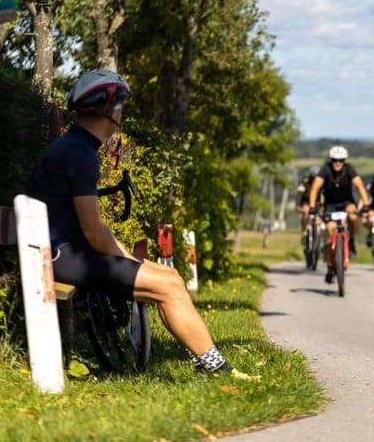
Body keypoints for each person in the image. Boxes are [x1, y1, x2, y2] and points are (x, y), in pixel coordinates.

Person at [26, 70, 234, 375]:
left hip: (65, 252)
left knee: (171, 276)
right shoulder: (81, 154)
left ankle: (206, 361)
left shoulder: (75, 146)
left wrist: (126, 257)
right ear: (108, 110)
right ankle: (216, 368)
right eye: (120, 107)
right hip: (62, 257)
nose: (121, 114)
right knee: (169, 287)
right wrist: (125, 260)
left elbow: (94, 229)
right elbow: (93, 230)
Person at [307, 146, 370, 282]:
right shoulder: (325, 170)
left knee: (353, 217)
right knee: (330, 231)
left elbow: (360, 186)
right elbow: (315, 188)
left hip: (347, 202)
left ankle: (351, 241)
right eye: (335, 160)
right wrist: (312, 207)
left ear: (344, 160)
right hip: (330, 204)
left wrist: (365, 205)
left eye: (341, 160)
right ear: (331, 160)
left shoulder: (349, 169)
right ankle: (330, 267)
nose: (338, 163)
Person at [295, 166, 321, 235]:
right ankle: (304, 231)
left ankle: (318, 235)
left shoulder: (322, 183)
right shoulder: (305, 183)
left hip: (318, 203)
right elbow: (299, 194)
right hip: (306, 202)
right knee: (306, 212)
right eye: (313, 177)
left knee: (319, 218)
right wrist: (298, 205)